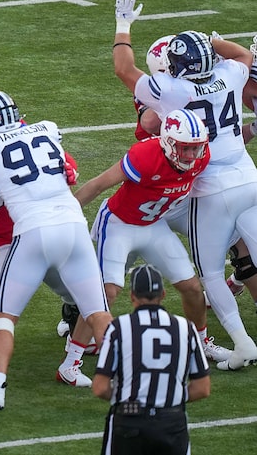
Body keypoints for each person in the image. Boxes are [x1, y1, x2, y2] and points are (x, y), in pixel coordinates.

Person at [113, 0, 257, 370]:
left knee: (209, 274)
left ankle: (243, 345)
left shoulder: (174, 88)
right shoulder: (228, 73)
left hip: (211, 190)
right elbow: (243, 55)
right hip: (249, 177)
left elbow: (125, 71)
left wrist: (123, 26)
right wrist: (210, 41)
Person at [0, 90, 113, 410]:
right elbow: (69, 171)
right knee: (99, 313)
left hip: (32, 232)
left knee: (2, 317)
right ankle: (124, 379)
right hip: (73, 225)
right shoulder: (46, 128)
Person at [71, 108, 231, 365]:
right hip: (119, 223)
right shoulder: (144, 156)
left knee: (191, 287)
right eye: (184, 148)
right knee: (107, 292)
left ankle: (199, 343)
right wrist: (65, 213)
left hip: (154, 225)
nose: (192, 155)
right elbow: (99, 184)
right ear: (168, 144)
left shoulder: (202, 157)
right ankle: (71, 360)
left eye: (195, 148)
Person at [92, 265, 210, 455]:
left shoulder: (119, 327)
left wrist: (124, 395)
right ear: (162, 294)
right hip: (172, 422)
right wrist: (169, 398)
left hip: (130, 421)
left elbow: (100, 387)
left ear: (132, 296)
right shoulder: (185, 328)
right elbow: (202, 388)